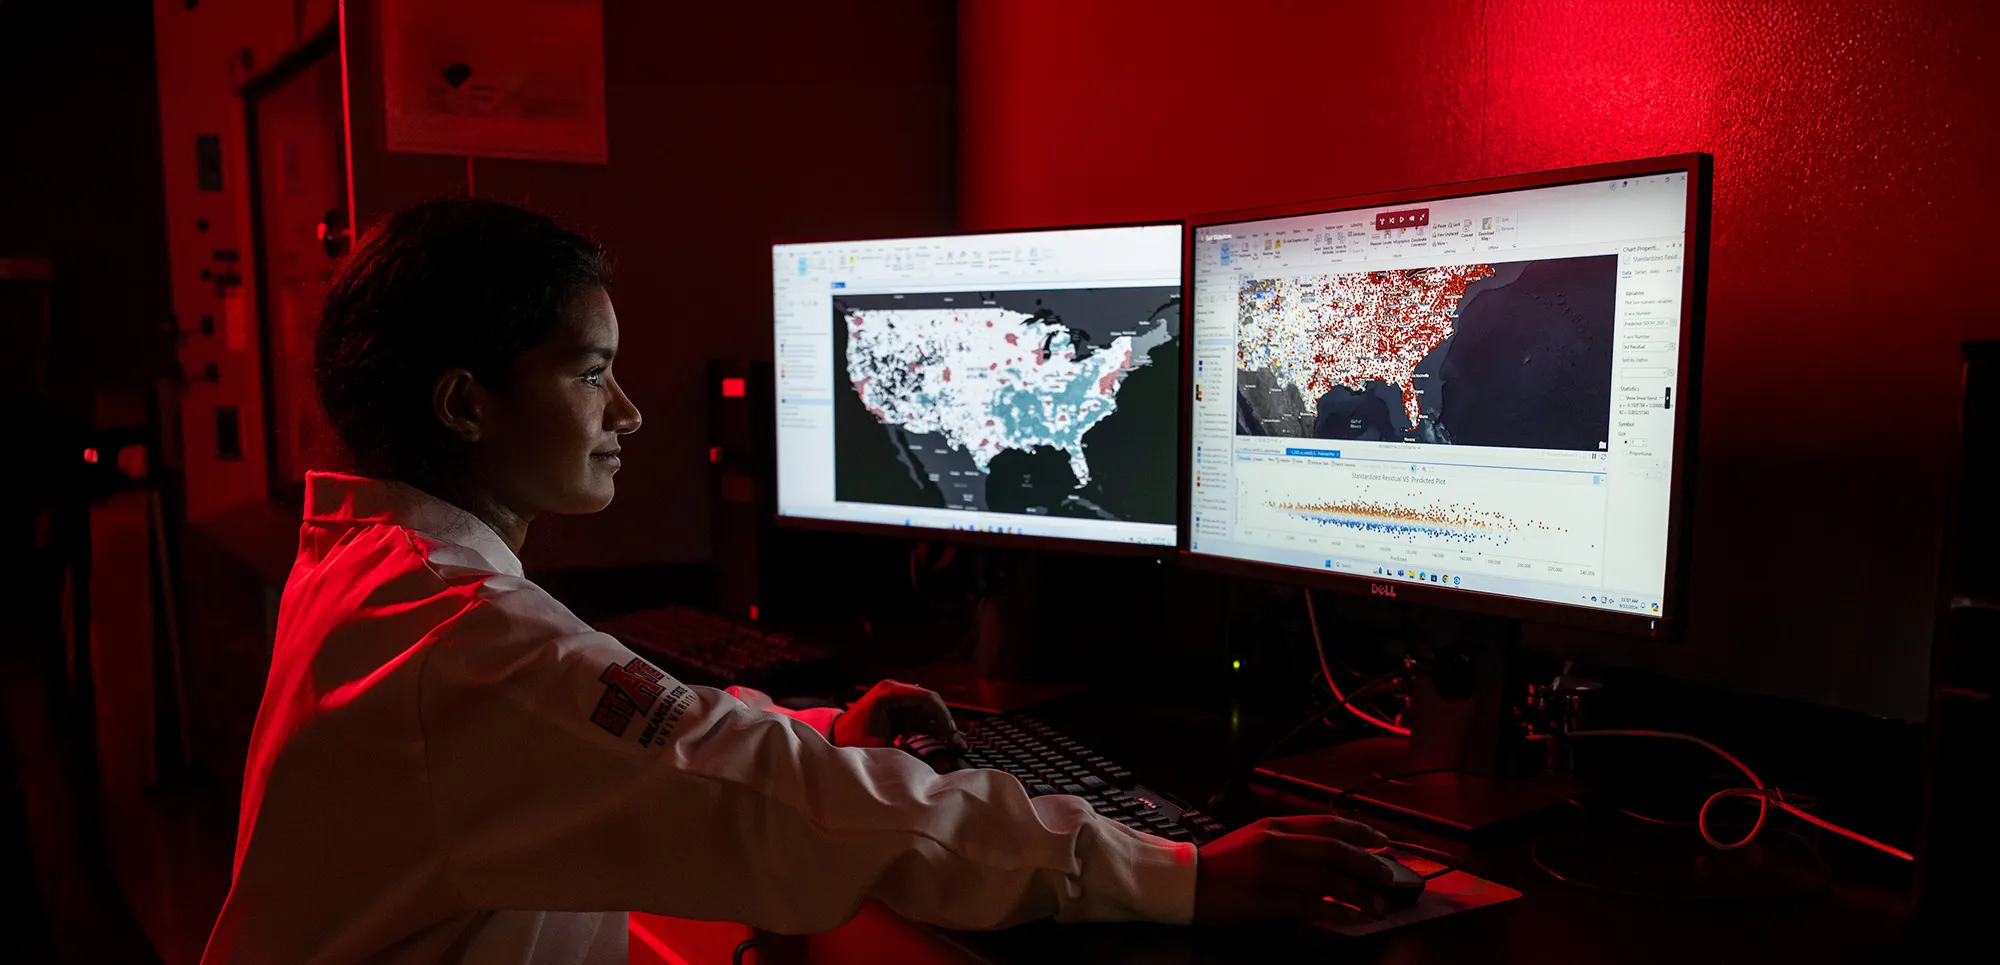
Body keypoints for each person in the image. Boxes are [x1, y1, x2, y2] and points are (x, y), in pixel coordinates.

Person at [201, 199, 1397, 964]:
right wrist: (1178, 873)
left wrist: (821, 727)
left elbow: (653, 743)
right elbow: (780, 799)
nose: (628, 413)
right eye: (591, 374)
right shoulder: (470, 643)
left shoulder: (381, 568)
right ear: (465, 403)